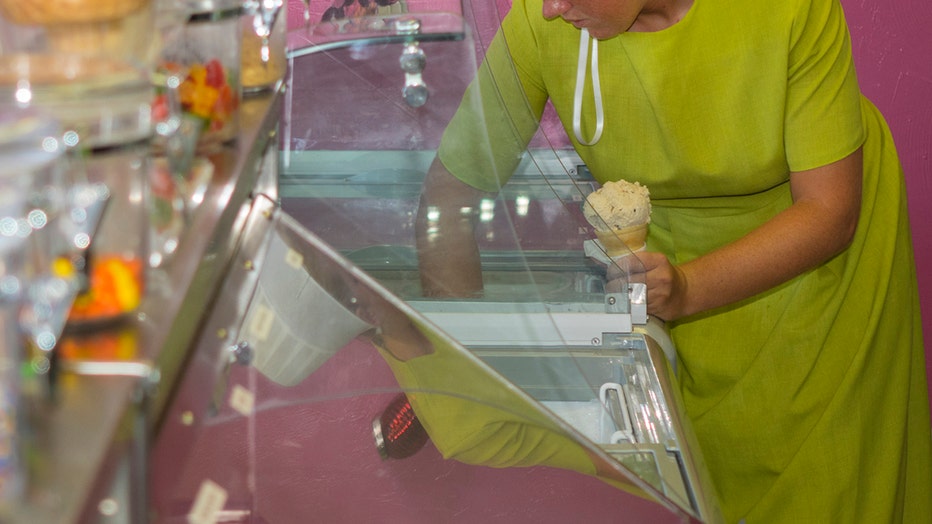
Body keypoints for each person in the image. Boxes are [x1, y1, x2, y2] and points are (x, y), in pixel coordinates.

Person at [414, 0, 932, 521]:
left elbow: (829, 212)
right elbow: (448, 194)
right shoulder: (543, 19)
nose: (552, 7)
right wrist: (472, 366)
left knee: (838, 484)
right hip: (670, 273)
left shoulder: (790, 9)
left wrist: (689, 288)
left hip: (819, 261)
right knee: (715, 481)